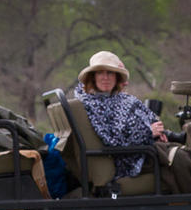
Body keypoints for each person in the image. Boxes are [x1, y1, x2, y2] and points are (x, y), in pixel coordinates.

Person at [74, 50, 184, 179]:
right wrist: (148, 133)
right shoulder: (91, 104)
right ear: (93, 77)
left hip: (146, 148)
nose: (105, 77)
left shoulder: (120, 98)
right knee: (181, 160)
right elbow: (112, 141)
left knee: (186, 153)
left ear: (117, 77)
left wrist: (158, 131)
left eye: (110, 72)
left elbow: (148, 118)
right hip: (129, 159)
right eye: (100, 73)